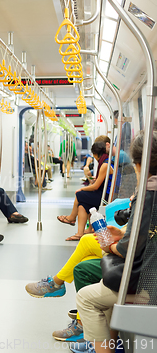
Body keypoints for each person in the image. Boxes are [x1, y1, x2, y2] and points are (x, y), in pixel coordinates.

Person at [76, 130, 157, 353]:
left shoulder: (148, 195)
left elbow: (127, 250)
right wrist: (123, 235)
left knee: (86, 298)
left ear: (140, 164)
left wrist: (111, 245)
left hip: (149, 284)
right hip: (152, 274)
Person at [57, 141, 114, 241]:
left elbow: (96, 187)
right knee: (82, 205)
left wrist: (82, 188)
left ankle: (72, 218)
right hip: (104, 193)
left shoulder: (105, 165)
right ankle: (80, 233)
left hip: (105, 197)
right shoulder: (106, 162)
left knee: (80, 194)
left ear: (96, 154)